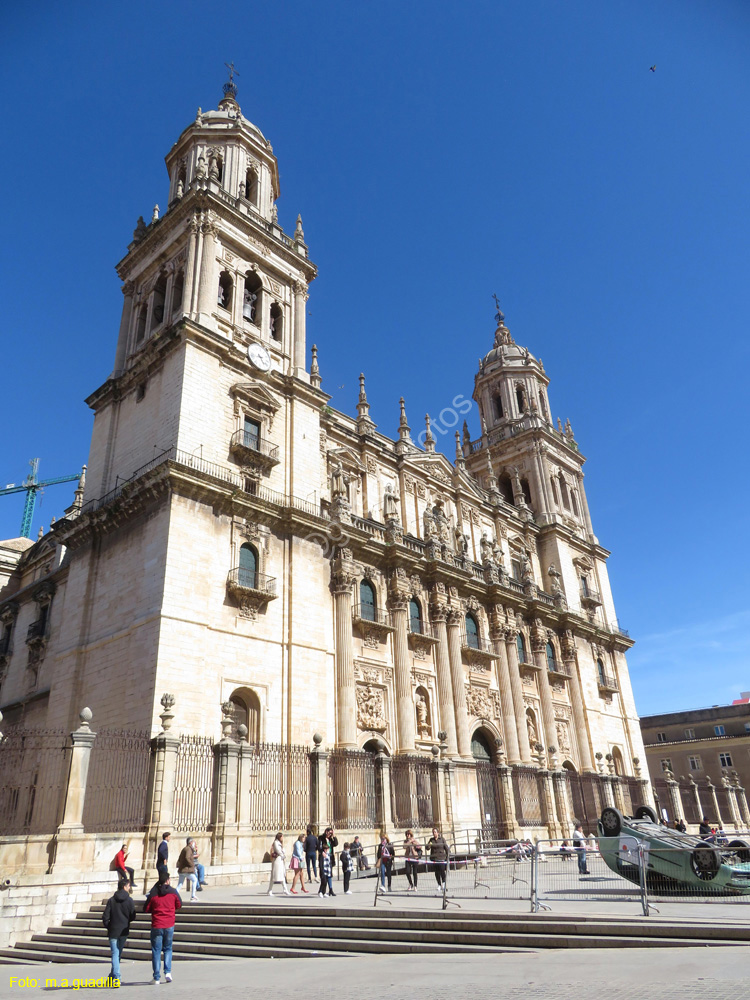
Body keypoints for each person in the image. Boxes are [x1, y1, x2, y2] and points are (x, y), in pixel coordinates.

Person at [145, 872, 181, 985]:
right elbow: (179, 904)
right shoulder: (173, 892)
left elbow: (146, 908)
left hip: (157, 924)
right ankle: (168, 973)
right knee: (168, 948)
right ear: (168, 880)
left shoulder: (153, 893)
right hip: (169, 924)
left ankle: (156, 977)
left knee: (156, 950)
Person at [102, 878, 136, 985]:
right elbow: (133, 915)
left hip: (113, 931)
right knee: (117, 953)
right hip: (123, 930)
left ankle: (113, 977)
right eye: (129, 886)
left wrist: (109, 926)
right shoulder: (129, 900)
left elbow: (105, 917)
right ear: (124, 887)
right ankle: (116, 977)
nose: (129, 888)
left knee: (115, 954)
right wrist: (126, 922)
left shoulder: (112, 900)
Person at [427, 827, 448, 893]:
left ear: (438, 833)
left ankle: (444, 884)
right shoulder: (431, 840)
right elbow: (427, 848)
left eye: (435, 832)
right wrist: (429, 845)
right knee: (437, 872)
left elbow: (446, 848)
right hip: (434, 858)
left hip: (441, 858)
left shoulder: (442, 839)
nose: (434, 833)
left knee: (442, 871)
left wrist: (448, 856)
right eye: (433, 832)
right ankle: (439, 884)